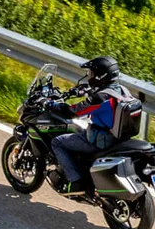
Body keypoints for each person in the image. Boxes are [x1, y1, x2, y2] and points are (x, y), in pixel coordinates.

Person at [49, 56, 136, 194]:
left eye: (92, 73)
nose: (89, 76)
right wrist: (84, 91)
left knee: (57, 142)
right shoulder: (122, 90)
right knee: (79, 128)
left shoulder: (100, 98)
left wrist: (52, 105)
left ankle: (76, 181)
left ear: (100, 76)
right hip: (119, 137)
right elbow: (101, 96)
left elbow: (74, 112)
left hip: (100, 141)